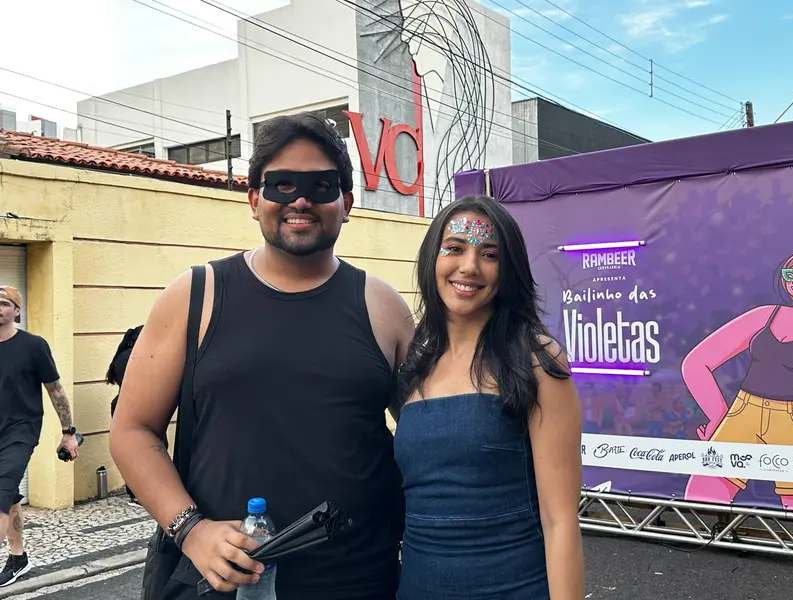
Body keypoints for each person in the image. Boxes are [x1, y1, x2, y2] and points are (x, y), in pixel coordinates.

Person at [109, 113, 414, 600]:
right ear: (254, 200)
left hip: (360, 579)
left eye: (321, 186)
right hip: (223, 584)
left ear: (347, 203)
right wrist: (191, 530)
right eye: (281, 185)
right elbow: (131, 430)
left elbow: (431, 436)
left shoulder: (383, 307)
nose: (300, 200)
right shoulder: (195, 296)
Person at [394, 196, 586, 600]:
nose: (469, 266)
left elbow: (560, 521)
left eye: (489, 254)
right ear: (433, 258)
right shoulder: (416, 365)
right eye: (455, 248)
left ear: (507, 270)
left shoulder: (536, 360)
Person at [682, 251, 793, 507]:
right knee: (701, 498)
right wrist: (718, 416)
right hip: (745, 412)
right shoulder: (765, 316)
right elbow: (696, 363)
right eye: (790, 274)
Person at [0, 286, 80, 588]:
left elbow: (55, 389)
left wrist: (68, 433)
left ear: (16, 311)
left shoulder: (33, 345)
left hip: (20, 431)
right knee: (10, 497)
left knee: (1, 490)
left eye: (4, 303)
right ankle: (18, 557)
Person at [107, 325, 148, 504]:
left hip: (138, 406)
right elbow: (136, 385)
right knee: (135, 451)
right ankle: (135, 492)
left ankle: (143, 491)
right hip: (130, 407)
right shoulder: (126, 358)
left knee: (152, 449)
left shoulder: (137, 356)